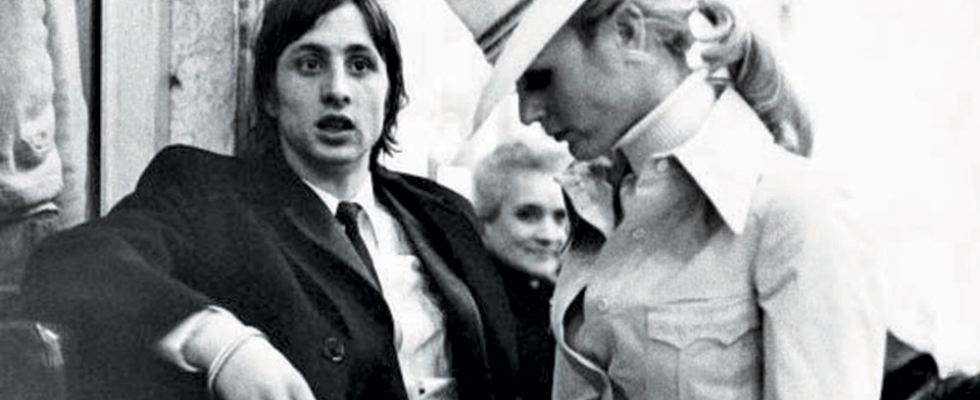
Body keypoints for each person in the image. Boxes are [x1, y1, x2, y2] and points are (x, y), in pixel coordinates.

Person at [21, 0, 518, 399]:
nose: (337, 90)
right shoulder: (208, 194)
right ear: (270, 95)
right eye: (309, 64)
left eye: (360, 65)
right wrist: (221, 343)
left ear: (390, 92)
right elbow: (74, 263)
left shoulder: (444, 215)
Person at [462, 0, 886, 398]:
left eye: (539, 78)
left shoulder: (794, 207)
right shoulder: (594, 202)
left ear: (627, 31)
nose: (527, 113)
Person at [472, 141, 569, 400]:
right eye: (527, 215)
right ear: (484, 221)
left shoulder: (560, 299)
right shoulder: (470, 308)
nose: (550, 235)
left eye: (560, 217)